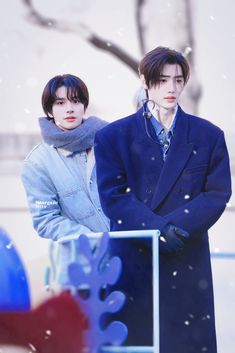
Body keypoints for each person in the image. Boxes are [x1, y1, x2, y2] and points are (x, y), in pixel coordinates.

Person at [94, 47, 232, 352]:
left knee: (184, 343)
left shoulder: (209, 136)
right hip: (134, 257)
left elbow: (218, 192)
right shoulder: (112, 137)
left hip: (186, 255)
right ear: (144, 80)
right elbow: (113, 196)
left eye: (178, 80)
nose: (171, 88)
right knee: (135, 341)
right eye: (161, 80)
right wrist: (156, 230)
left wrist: (175, 229)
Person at [21, 74, 109, 287]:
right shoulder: (38, 162)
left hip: (128, 262)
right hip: (80, 273)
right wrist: (92, 240)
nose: (69, 108)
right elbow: (46, 219)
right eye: (60, 103)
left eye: (76, 100)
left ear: (84, 106)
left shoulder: (108, 141)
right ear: (49, 110)